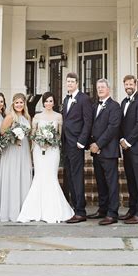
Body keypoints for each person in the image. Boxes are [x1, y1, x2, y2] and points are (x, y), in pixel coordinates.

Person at [18, 92, 74, 223]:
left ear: (54, 103)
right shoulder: (37, 116)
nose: (48, 103)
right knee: (39, 176)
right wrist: (40, 142)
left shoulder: (59, 116)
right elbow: (33, 134)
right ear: (43, 102)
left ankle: (53, 210)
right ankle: (35, 209)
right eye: (46, 101)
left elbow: (60, 136)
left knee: (51, 177)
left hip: (53, 151)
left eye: (51, 101)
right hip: (39, 151)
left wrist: (51, 142)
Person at [88, 79, 122, 225]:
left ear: (109, 89)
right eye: (98, 87)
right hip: (96, 151)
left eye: (103, 87)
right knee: (100, 182)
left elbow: (112, 128)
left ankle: (112, 213)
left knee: (111, 183)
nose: (100, 89)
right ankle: (103, 209)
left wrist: (99, 144)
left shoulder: (115, 106)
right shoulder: (95, 106)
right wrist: (91, 144)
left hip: (108, 151)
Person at [61, 72, 93, 223]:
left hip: (76, 144)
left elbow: (88, 121)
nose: (70, 84)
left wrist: (82, 141)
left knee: (77, 176)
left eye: (72, 81)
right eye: (68, 81)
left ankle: (81, 211)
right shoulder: (66, 99)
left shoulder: (84, 99)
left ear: (77, 83)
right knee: (69, 176)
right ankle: (73, 208)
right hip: (66, 143)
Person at [119, 74, 138, 224]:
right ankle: (132, 209)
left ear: (135, 84)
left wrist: (128, 141)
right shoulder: (124, 102)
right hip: (127, 149)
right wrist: (121, 140)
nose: (128, 87)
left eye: (131, 84)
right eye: (126, 84)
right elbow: (121, 124)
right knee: (130, 180)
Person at [0, 93, 32, 222]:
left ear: (24, 104)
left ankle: (23, 210)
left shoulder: (26, 117)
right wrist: (13, 138)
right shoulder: (10, 117)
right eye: (16, 103)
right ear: (13, 104)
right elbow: (2, 132)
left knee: (22, 177)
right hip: (13, 150)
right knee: (13, 177)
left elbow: (28, 136)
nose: (19, 105)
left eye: (21, 103)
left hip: (23, 151)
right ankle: (11, 211)